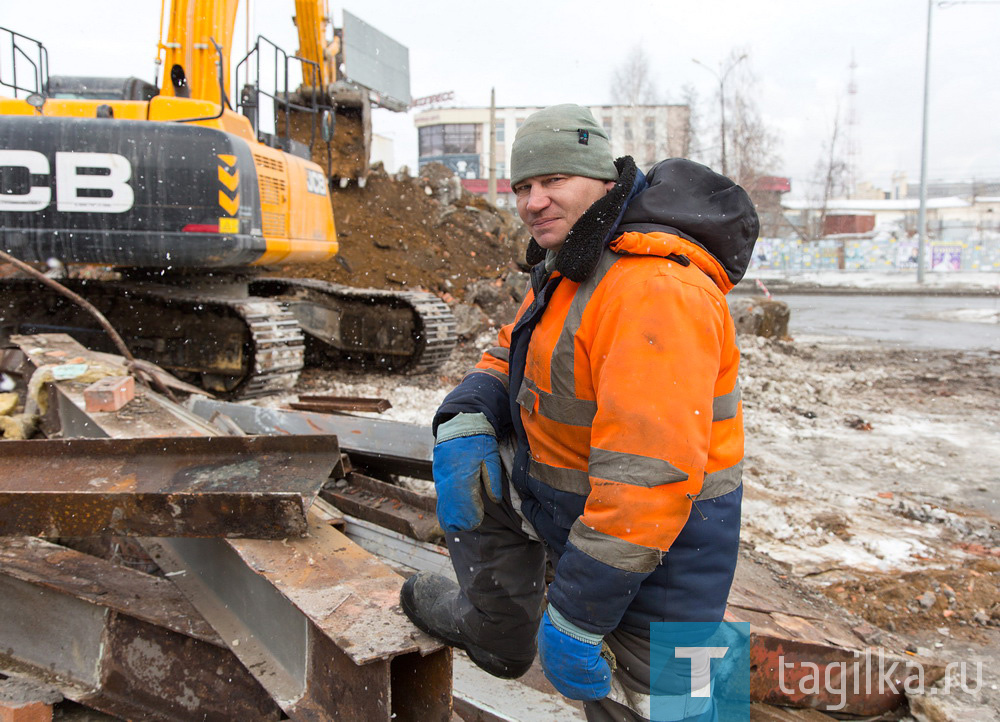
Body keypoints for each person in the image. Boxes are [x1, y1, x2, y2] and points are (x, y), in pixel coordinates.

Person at [400, 104, 759, 721]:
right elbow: (513, 348)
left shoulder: (652, 287)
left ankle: (596, 644)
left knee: (655, 701)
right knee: (475, 465)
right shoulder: (577, 263)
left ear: (604, 181)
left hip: (663, 558)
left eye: (553, 181)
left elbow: (648, 483)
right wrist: (468, 414)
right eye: (523, 187)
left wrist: (578, 614)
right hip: (573, 509)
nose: (533, 202)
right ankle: (498, 628)